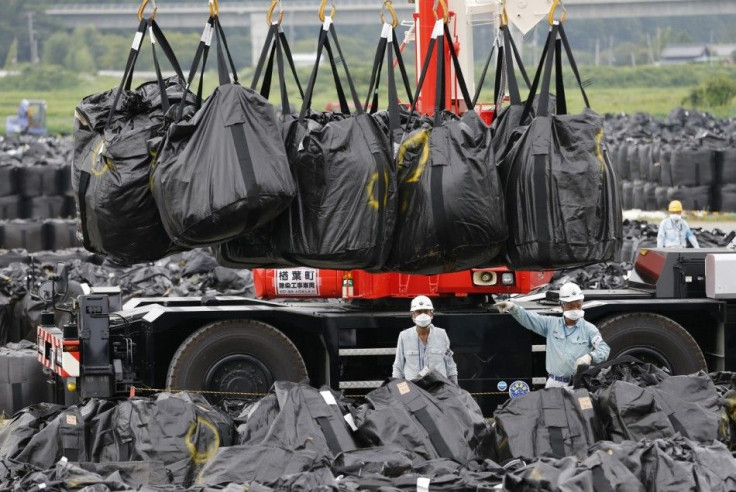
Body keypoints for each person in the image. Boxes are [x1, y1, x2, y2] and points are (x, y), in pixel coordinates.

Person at [495, 282, 610, 389]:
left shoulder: (589, 329)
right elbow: (530, 319)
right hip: (554, 383)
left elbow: (604, 349)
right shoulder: (551, 325)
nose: (575, 309)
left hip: (578, 383)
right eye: (570, 306)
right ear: (562, 305)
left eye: (578, 305)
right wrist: (513, 308)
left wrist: (590, 356)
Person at [392, 295, 459, 385]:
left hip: (438, 387)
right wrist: (398, 389)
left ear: (431, 314)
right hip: (414, 388)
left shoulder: (441, 334)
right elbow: (398, 366)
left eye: (426, 311)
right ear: (413, 314)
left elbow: (450, 363)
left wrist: (455, 385)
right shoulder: (404, 336)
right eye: (419, 312)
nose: (423, 315)